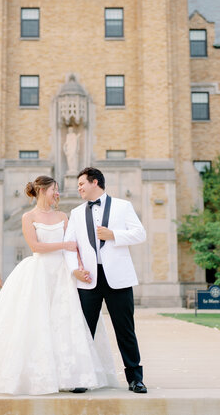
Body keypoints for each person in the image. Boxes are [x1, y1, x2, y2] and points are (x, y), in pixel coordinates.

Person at [0, 175, 117, 396]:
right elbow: (36, 246)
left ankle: (72, 376)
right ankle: (38, 375)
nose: (58, 194)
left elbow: (76, 248)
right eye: (55, 189)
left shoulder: (64, 216)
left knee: (66, 323)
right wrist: (64, 244)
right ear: (43, 190)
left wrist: (80, 267)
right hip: (40, 273)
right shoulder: (28, 217)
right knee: (37, 322)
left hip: (64, 274)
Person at [64, 166, 148, 394]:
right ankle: (80, 378)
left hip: (118, 280)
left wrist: (114, 235)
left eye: (81, 184)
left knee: (125, 330)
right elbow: (70, 247)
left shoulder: (123, 206)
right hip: (88, 280)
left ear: (94, 182)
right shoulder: (76, 213)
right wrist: (75, 270)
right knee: (84, 331)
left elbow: (140, 233)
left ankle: (135, 379)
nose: (79, 188)